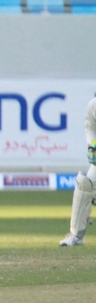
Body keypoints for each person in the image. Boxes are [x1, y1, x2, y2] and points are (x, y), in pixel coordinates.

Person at [60, 97, 96, 246]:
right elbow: (90, 127)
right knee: (85, 185)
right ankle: (76, 235)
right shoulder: (94, 105)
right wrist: (92, 146)